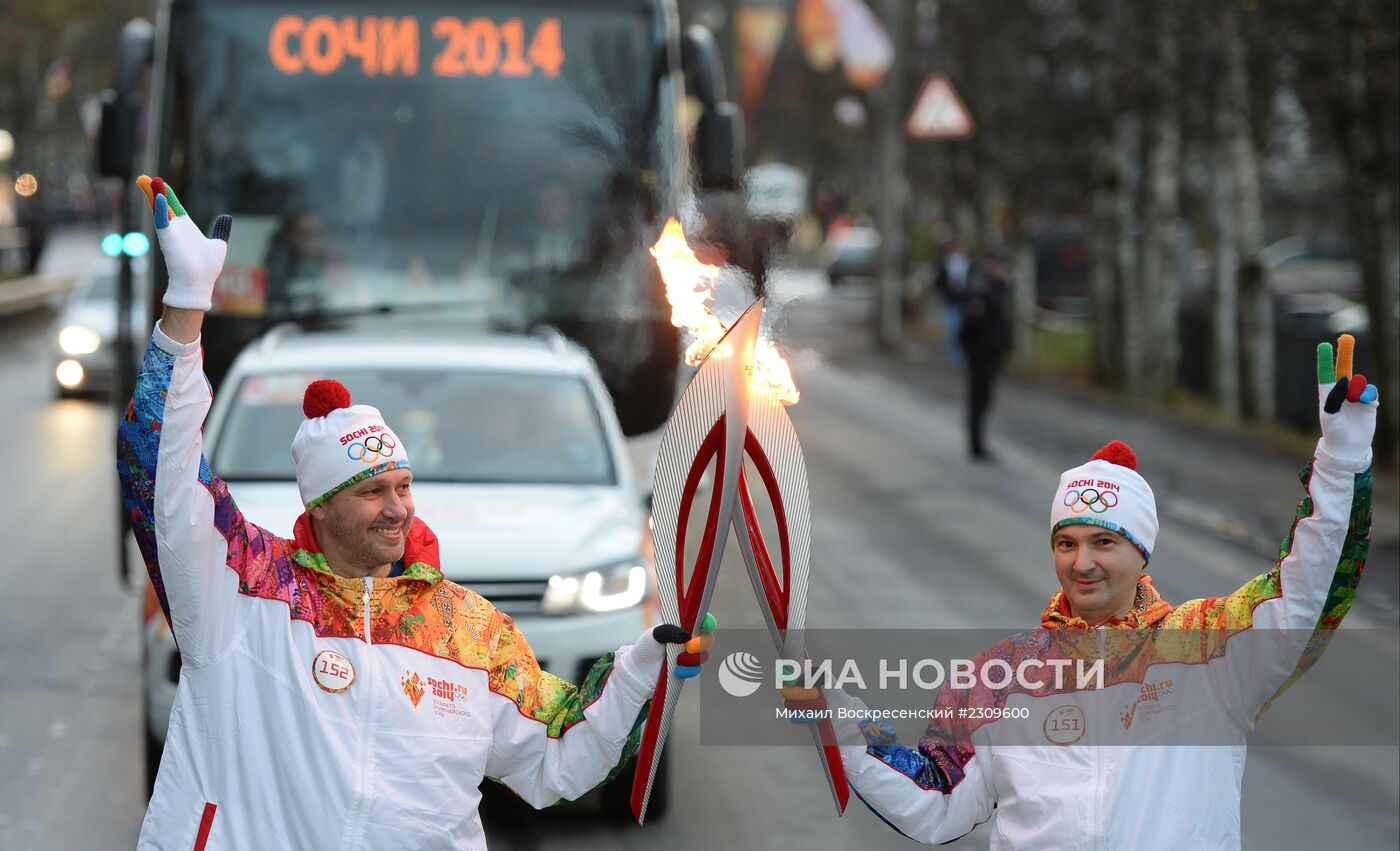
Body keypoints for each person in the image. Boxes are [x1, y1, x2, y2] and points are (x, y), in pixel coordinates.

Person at [119, 176, 715, 848]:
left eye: (403, 486)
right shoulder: (242, 586)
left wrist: (642, 667)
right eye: (373, 491)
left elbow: (559, 757)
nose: (397, 507)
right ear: (322, 504)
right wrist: (186, 310)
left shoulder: (469, 631)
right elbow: (162, 474)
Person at [782, 343, 1378, 848]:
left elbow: (1308, 594)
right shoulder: (996, 680)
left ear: (1140, 552)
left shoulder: (1208, 652)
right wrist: (830, 710)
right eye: (1066, 543)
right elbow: (934, 798)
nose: (1082, 563)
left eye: (1104, 542)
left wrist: (1341, 463)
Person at [956, 249, 1011, 461]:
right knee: (978, 399)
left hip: (991, 354)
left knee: (985, 399)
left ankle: (979, 444)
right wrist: (970, 347)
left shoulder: (998, 290)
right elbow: (970, 323)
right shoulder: (984, 292)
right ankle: (976, 446)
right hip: (980, 354)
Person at [933, 238, 971, 366]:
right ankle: (954, 356)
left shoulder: (967, 263)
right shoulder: (945, 264)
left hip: (964, 302)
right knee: (953, 329)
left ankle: (961, 354)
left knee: (963, 329)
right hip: (951, 302)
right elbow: (939, 283)